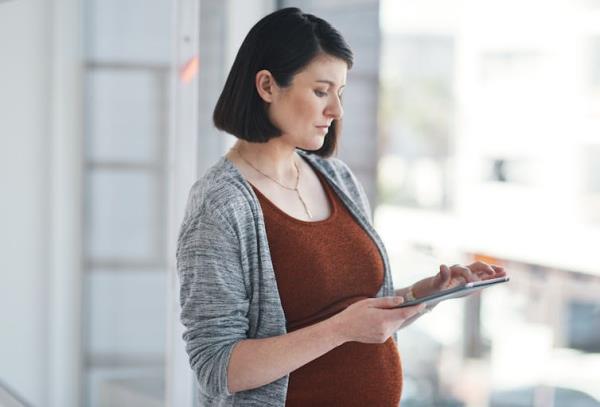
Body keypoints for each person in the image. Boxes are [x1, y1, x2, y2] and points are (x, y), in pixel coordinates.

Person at [176, 7, 507, 407]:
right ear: (266, 86)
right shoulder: (220, 205)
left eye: (340, 92)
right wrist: (341, 329)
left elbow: (358, 315)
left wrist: (426, 294)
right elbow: (217, 366)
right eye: (320, 91)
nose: (336, 110)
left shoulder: (337, 179)